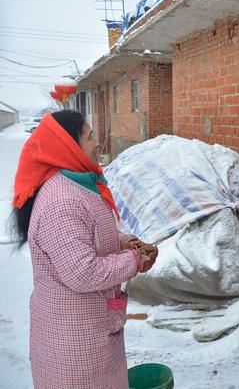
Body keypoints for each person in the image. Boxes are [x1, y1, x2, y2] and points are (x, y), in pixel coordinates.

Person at [10, 110, 157, 389]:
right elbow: (82, 272)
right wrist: (134, 259)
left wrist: (123, 243)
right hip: (73, 342)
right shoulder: (61, 202)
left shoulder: (78, 186)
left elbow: (86, 237)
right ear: (69, 146)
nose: (97, 142)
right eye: (89, 137)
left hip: (91, 331)